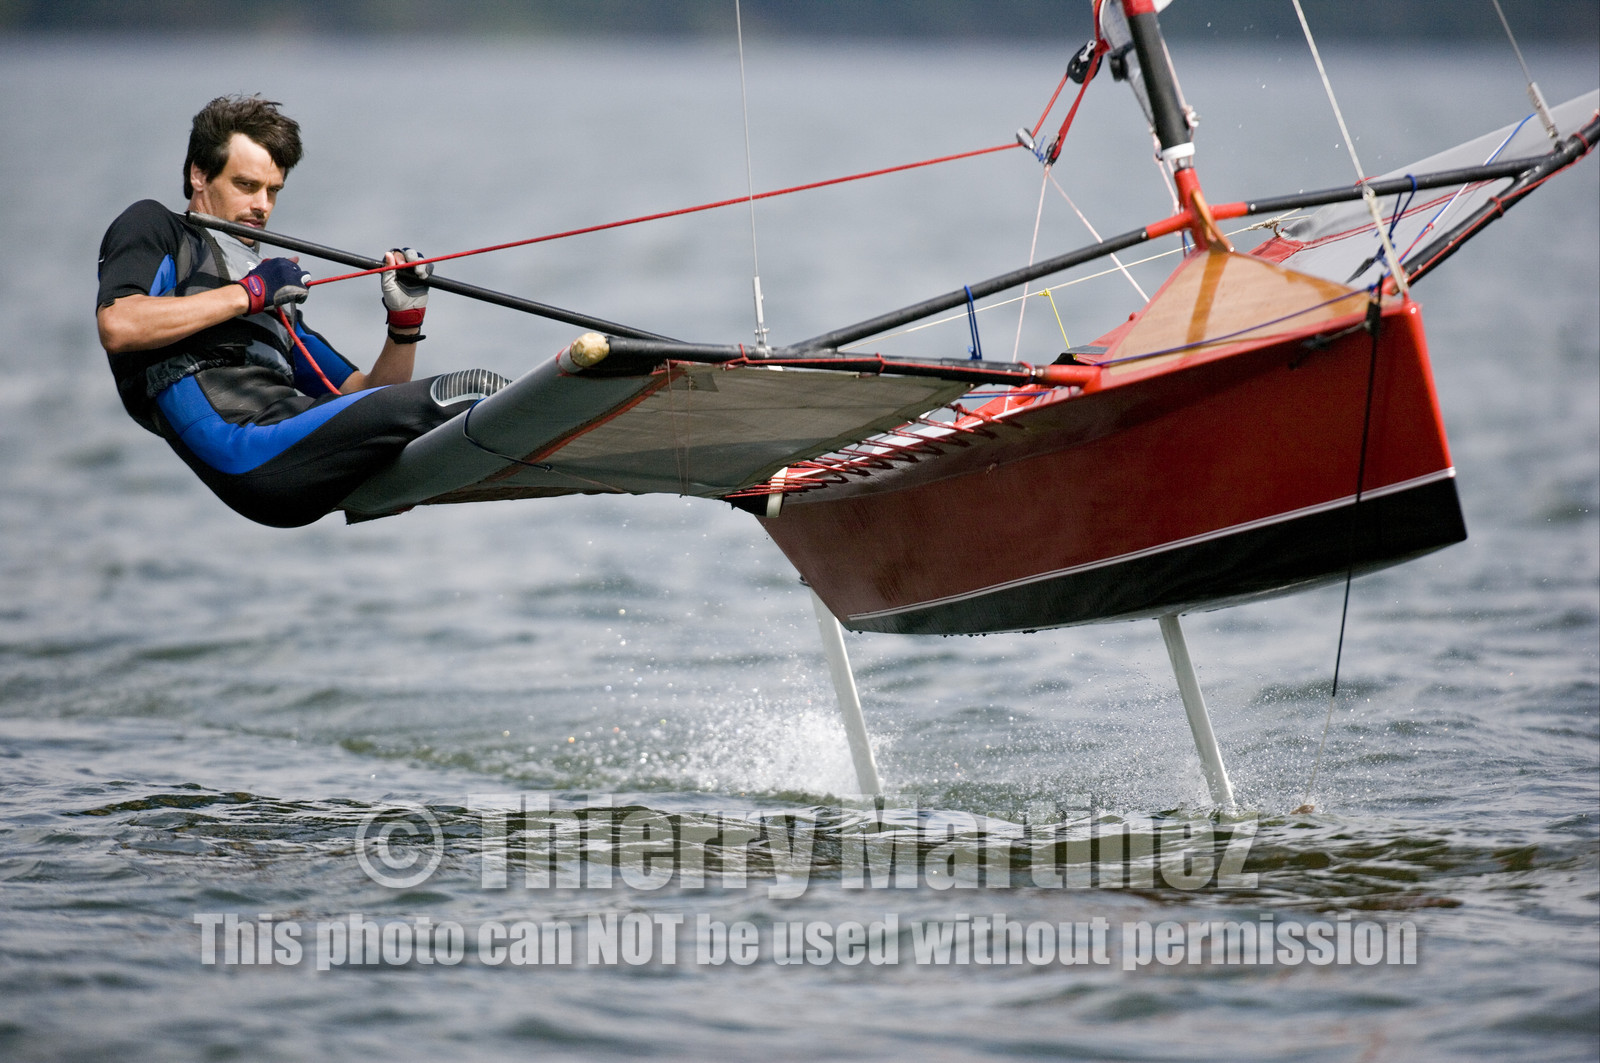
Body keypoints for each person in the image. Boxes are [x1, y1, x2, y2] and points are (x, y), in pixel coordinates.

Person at [96, 94, 501, 528]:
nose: (262, 206)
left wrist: (404, 324)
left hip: (301, 448)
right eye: (246, 186)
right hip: (246, 452)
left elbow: (363, 395)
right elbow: (119, 323)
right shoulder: (157, 226)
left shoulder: (275, 302)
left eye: (273, 191)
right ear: (199, 174)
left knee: (456, 400)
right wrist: (249, 293)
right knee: (469, 390)